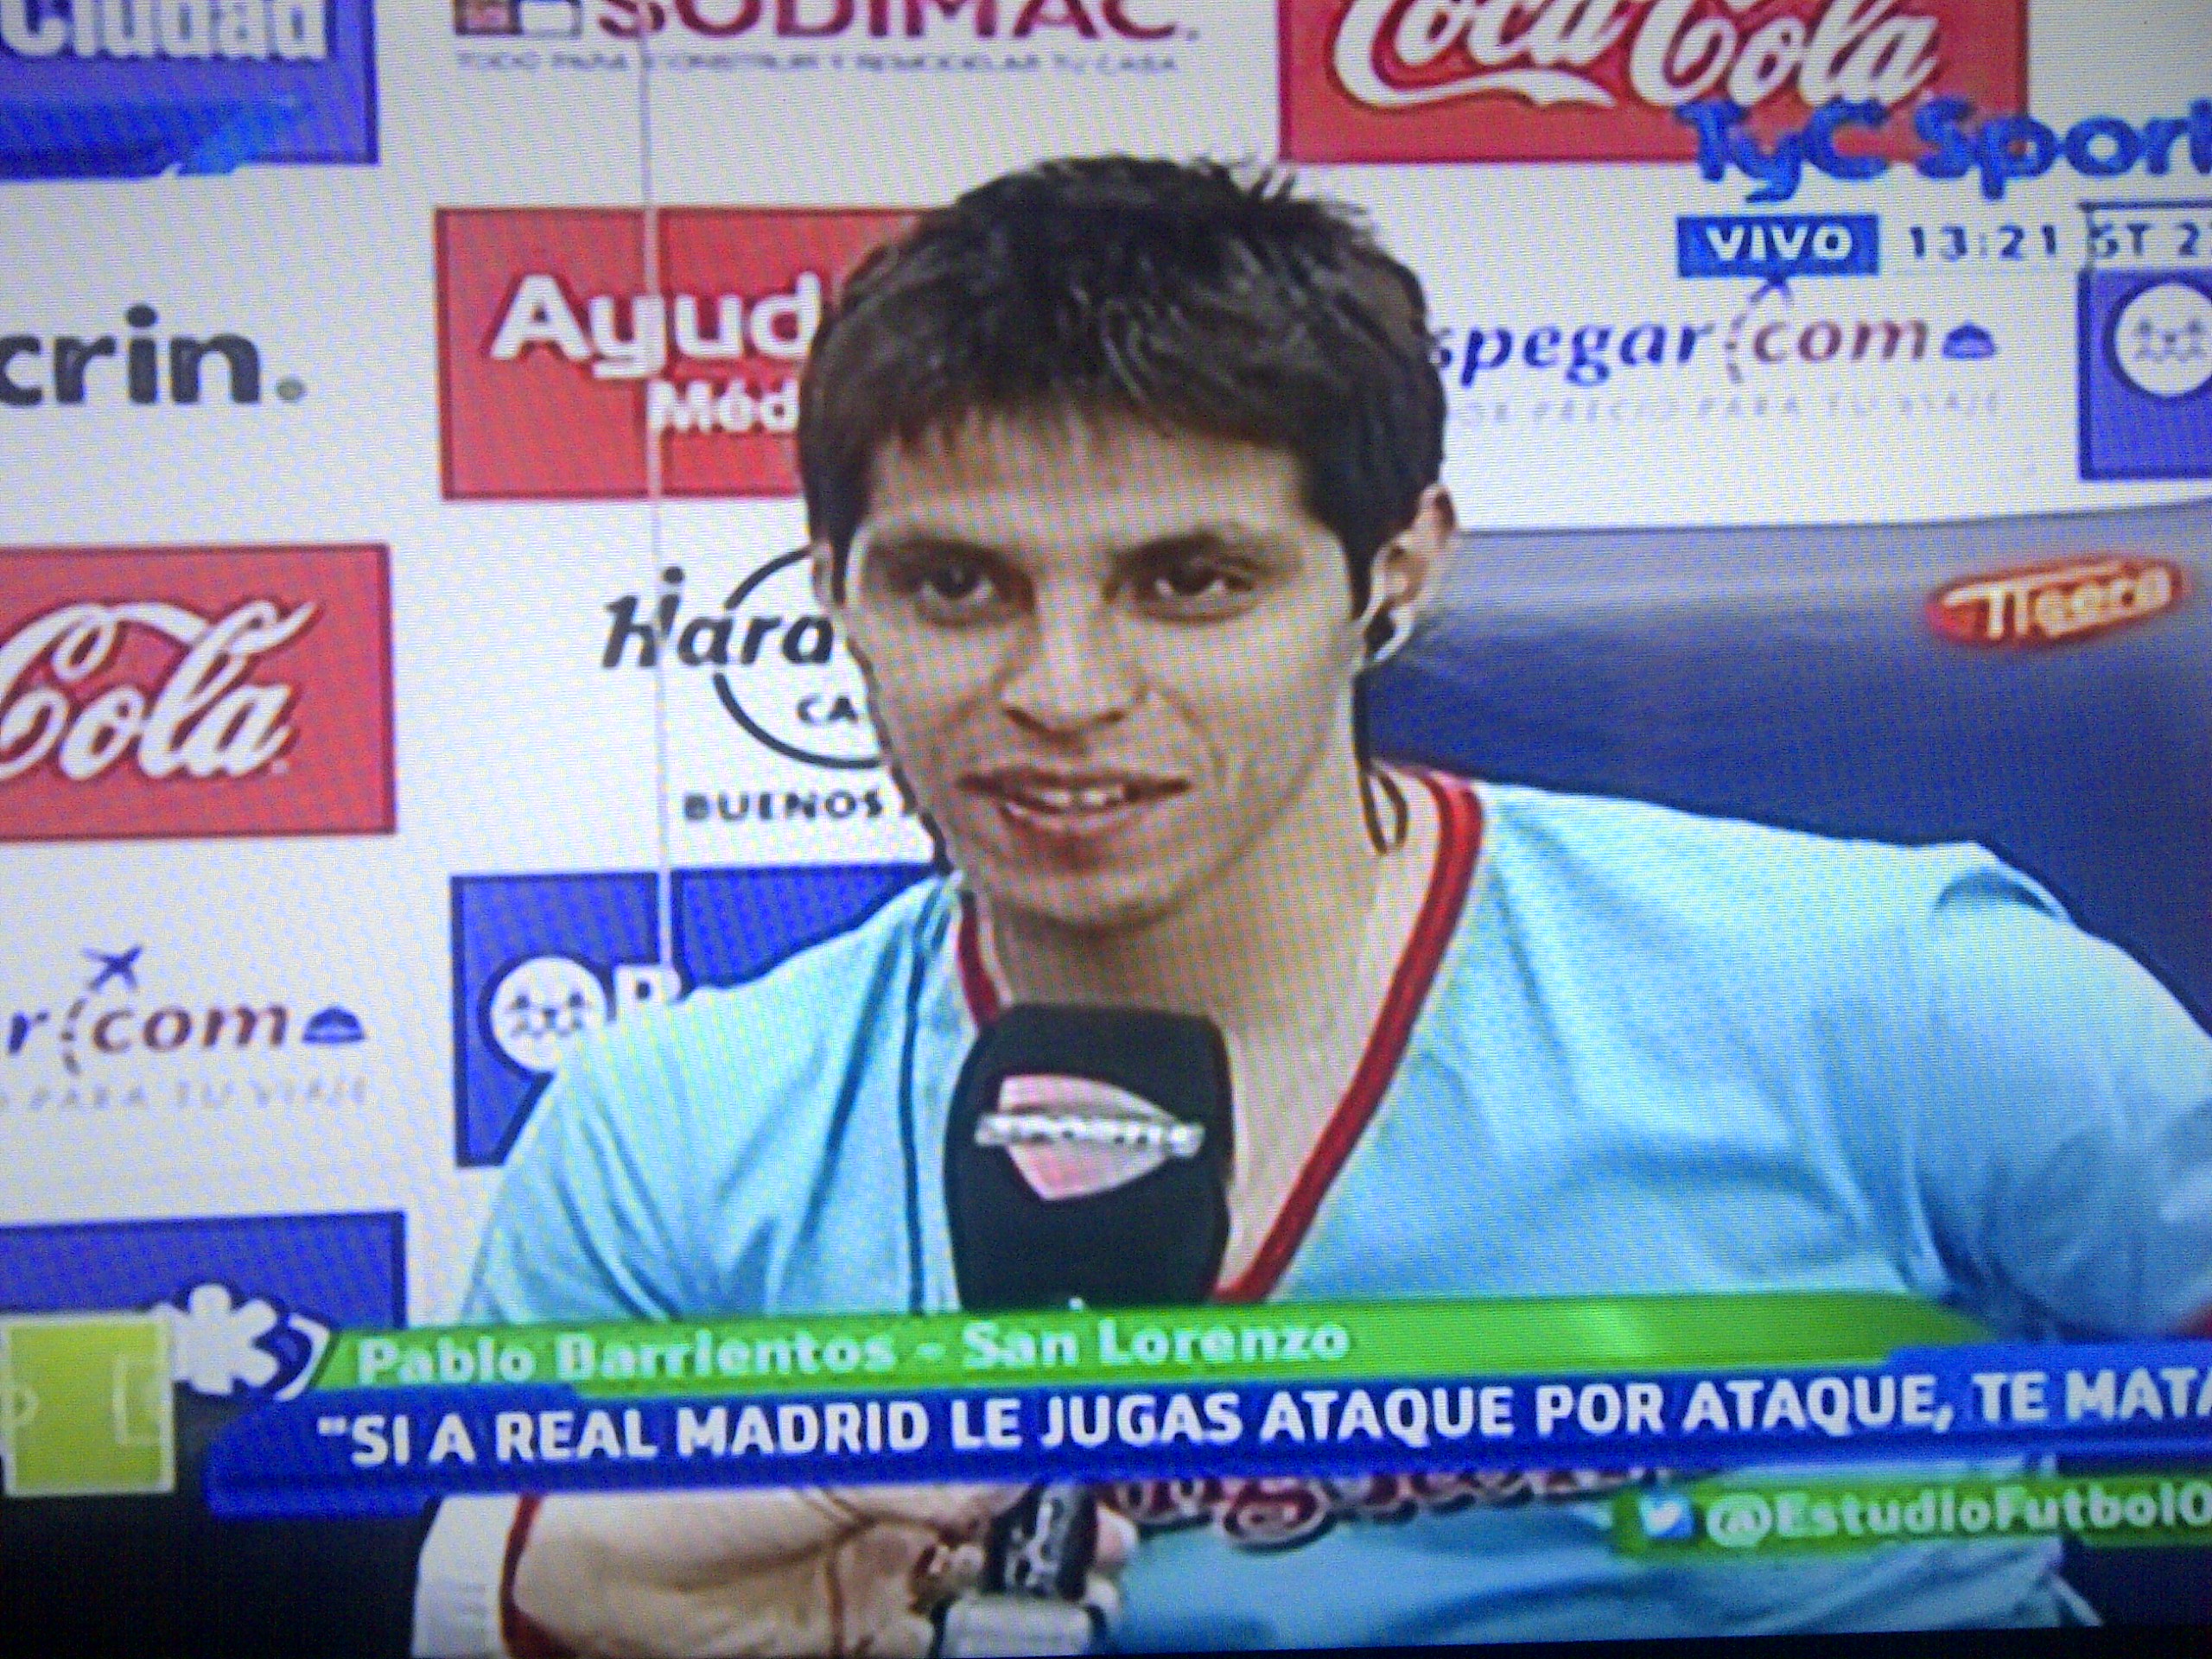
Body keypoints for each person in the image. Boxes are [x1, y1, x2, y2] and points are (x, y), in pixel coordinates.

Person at [413, 158, 2212, 1656]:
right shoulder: (667, 1132)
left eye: (1189, 582)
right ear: (832, 593)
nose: (1060, 691)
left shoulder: (1885, 991)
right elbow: (503, 1590)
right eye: (956, 585)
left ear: (1391, 575)